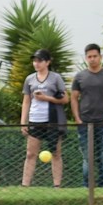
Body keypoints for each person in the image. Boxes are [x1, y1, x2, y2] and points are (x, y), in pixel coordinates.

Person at [70, 43, 103, 188]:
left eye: (95, 56)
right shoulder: (79, 77)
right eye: (89, 57)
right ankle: (87, 186)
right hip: (85, 123)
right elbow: (73, 98)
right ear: (86, 58)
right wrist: (77, 118)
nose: (92, 59)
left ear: (100, 57)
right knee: (87, 158)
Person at [18, 49, 68, 188]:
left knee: (56, 152)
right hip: (35, 119)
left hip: (52, 120)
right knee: (30, 153)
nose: (36, 63)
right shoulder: (30, 79)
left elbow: (65, 99)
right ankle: (25, 185)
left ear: (48, 62)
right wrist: (23, 121)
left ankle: (57, 185)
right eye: (35, 60)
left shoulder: (55, 78)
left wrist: (46, 98)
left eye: (40, 60)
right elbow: (26, 101)